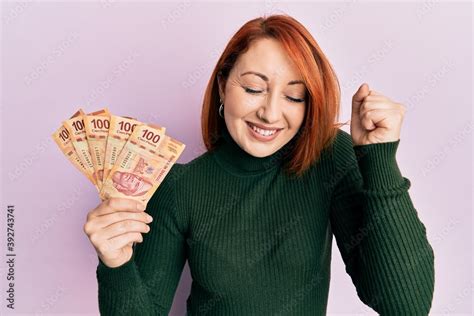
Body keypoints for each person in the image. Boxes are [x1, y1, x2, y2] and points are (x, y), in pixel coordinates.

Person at [83, 14, 435, 315]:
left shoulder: (329, 158)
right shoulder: (178, 186)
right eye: (253, 88)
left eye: (294, 96)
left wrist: (379, 160)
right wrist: (116, 264)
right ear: (223, 86)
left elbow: (405, 305)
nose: (269, 113)